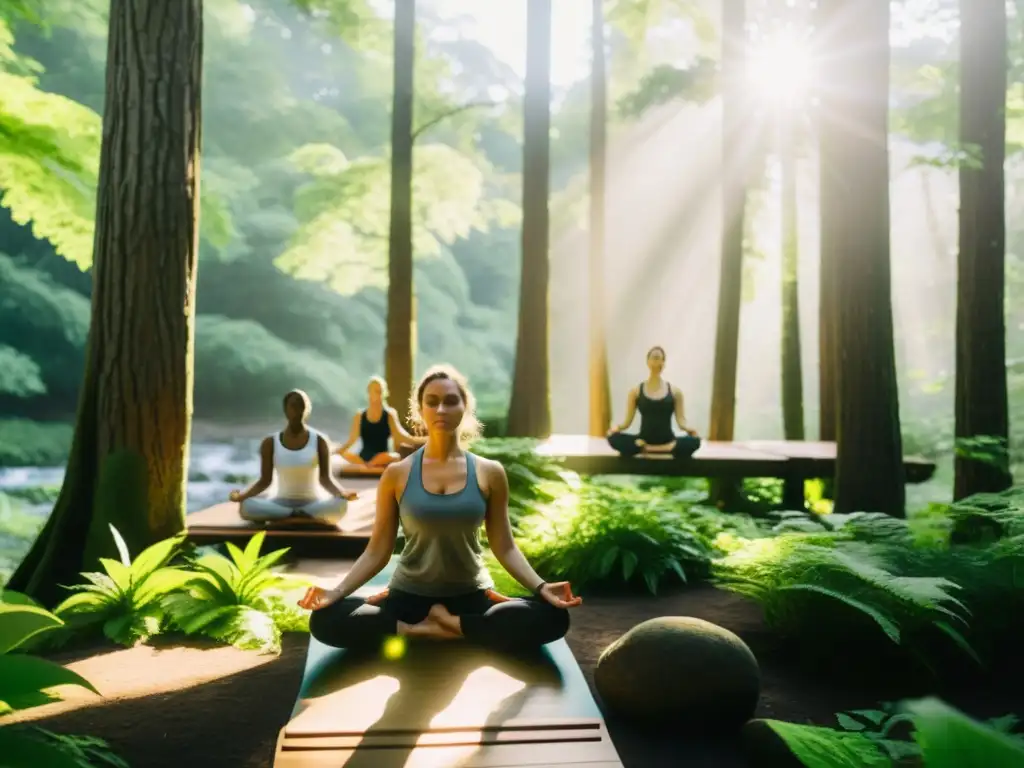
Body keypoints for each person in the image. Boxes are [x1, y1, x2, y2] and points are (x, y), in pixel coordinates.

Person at [298, 364, 582, 650]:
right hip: (408, 597)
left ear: (465, 406)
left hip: (471, 597)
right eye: (432, 402)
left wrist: (541, 587)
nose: (441, 410)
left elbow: (504, 546)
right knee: (325, 620)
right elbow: (377, 550)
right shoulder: (397, 474)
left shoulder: (489, 472)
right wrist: (337, 592)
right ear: (420, 410)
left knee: (555, 618)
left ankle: (447, 625)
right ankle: (428, 629)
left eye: (450, 401)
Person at [229, 389, 359, 525]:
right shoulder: (270, 442)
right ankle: (297, 515)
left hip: (313, 504)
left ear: (307, 409)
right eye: (293, 405)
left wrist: (342, 493)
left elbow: (325, 479)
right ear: (285, 409)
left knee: (340, 505)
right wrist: (243, 496)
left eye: (301, 405)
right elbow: (264, 481)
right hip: (280, 503)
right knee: (247, 506)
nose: (297, 409)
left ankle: (288, 516)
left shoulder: (320, 441)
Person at [607, 345, 701, 458]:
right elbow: (627, 422)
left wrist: (690, 430)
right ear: (648, 361)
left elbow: (681, 422)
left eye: (661, 359)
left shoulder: (675, 392)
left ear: (664, 363)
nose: (658, 361)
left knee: (695, 441)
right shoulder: (635, 391)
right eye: (655, 357)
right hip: (643, 440)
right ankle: (661, 449)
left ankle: (649, 449)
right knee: (613, 438)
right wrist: (616, 428)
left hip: (667, 440)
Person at [333, 376, 423, 473]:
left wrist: (426, 440)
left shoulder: (389, 414)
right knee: (344, 453)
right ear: (369, 393)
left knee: (395, 456)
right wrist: (336, 451)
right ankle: (369, 466)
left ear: (384, 394)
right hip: (362, 457)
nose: (378, 395)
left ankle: (368, 467)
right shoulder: (359, 416)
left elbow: (402, 438)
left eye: (380, 391)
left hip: (383, 457)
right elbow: (351, 440)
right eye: (375, 391)